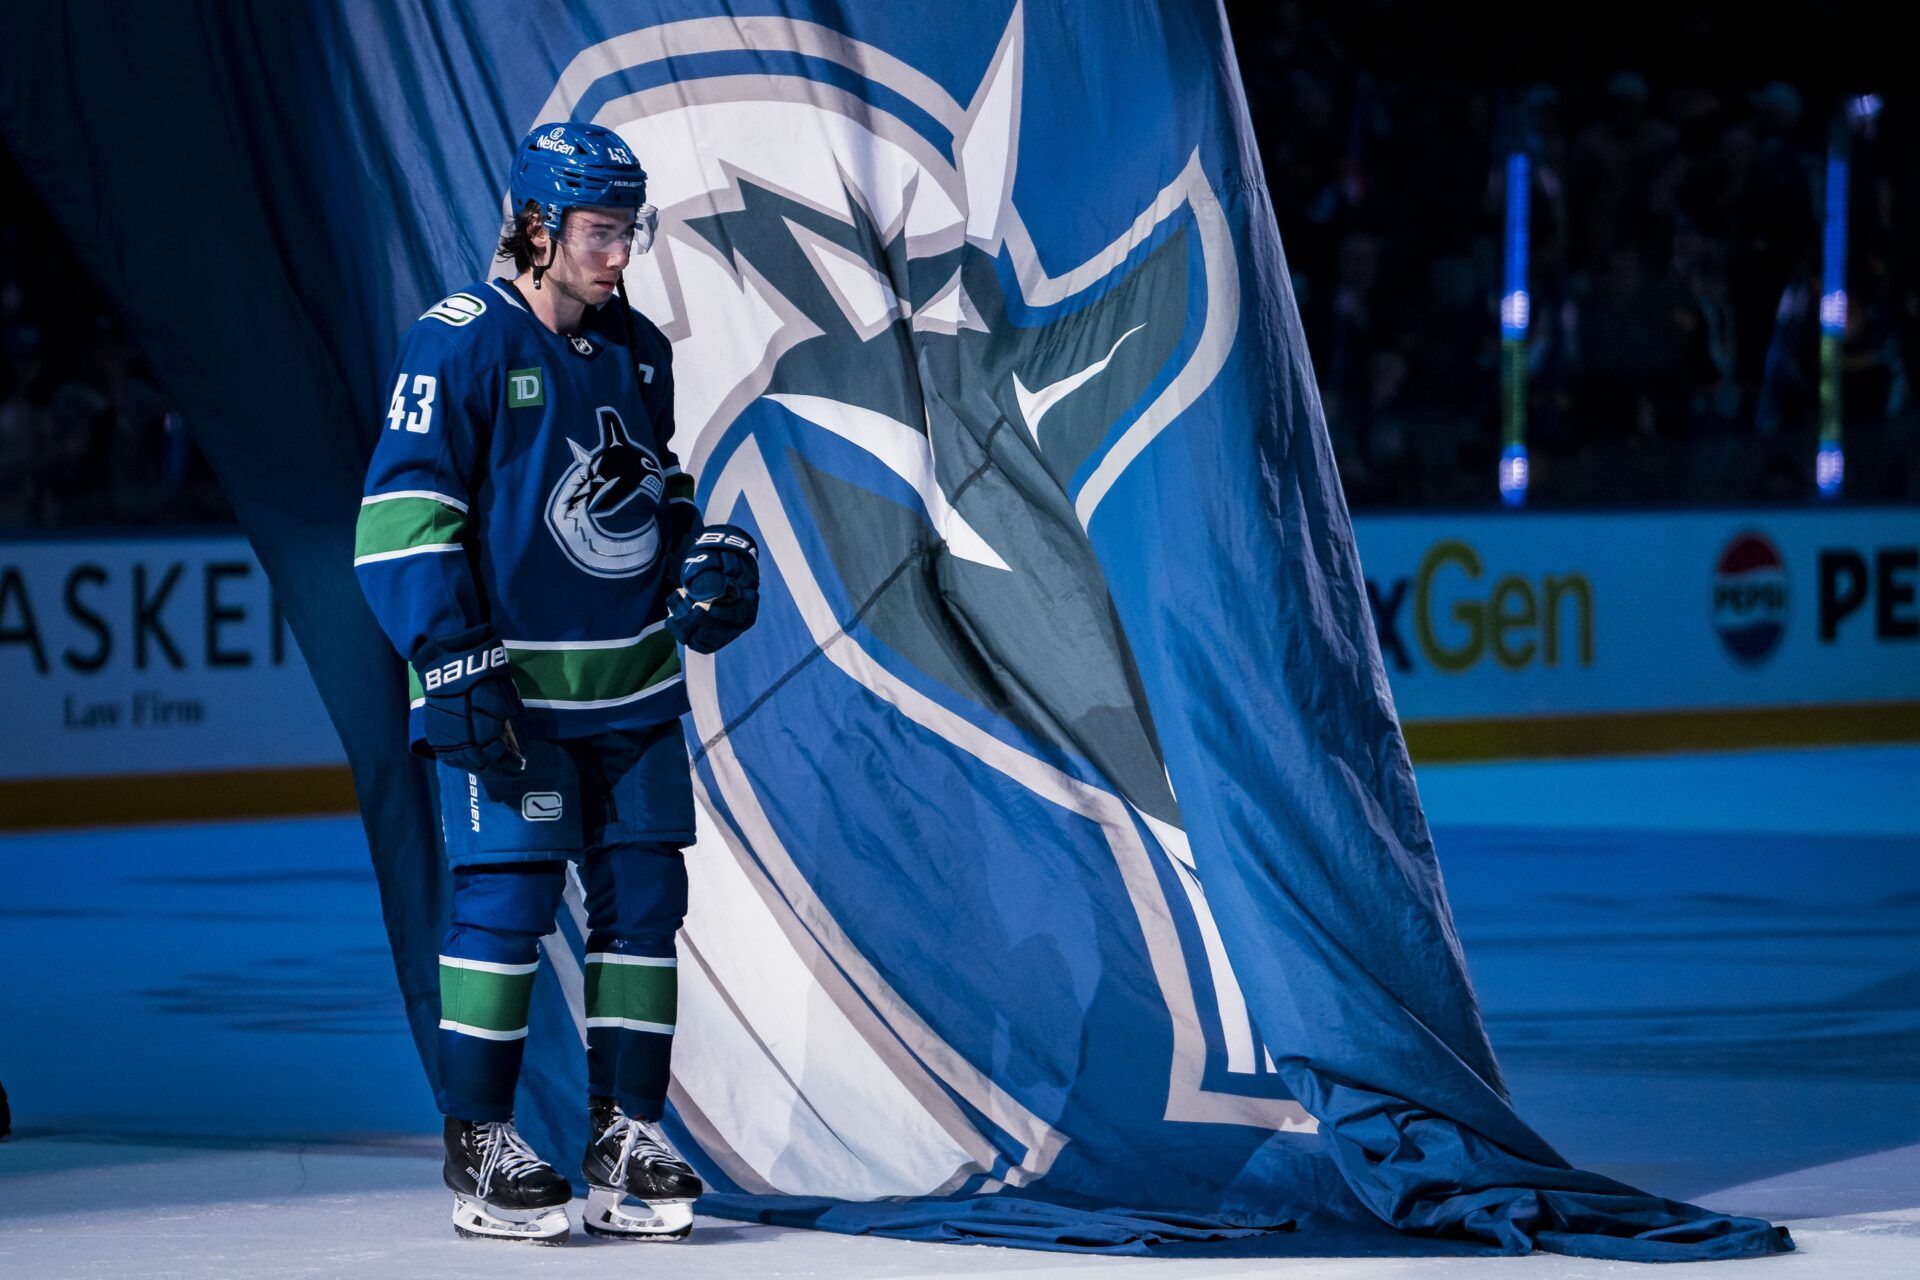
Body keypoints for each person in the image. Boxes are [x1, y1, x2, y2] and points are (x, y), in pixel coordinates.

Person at [354, 121, 760, 1244]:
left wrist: (696, 554)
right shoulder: (460, 342)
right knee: (506, 905)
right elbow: (399, 518)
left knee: (645, 908)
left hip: (630, 689)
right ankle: (478, 1140)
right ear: (535, 226)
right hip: (507, 692)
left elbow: (649, 481)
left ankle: (624, 1129)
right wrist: (447, 652)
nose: (618, 252)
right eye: (597, 231)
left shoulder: (634, 348)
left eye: (628, 229)